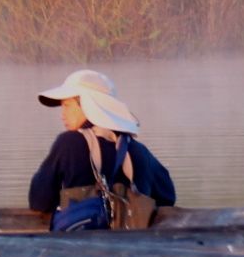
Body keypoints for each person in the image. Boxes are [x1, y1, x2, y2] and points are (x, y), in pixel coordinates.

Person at [27, 68, 175, 228]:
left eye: (67, 106)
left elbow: (39, 201)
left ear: (89, 105)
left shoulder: (68, 143)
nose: (62, 114)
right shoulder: (138, 150)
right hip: (132, 241)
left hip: (81, 242)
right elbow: (167, 197)